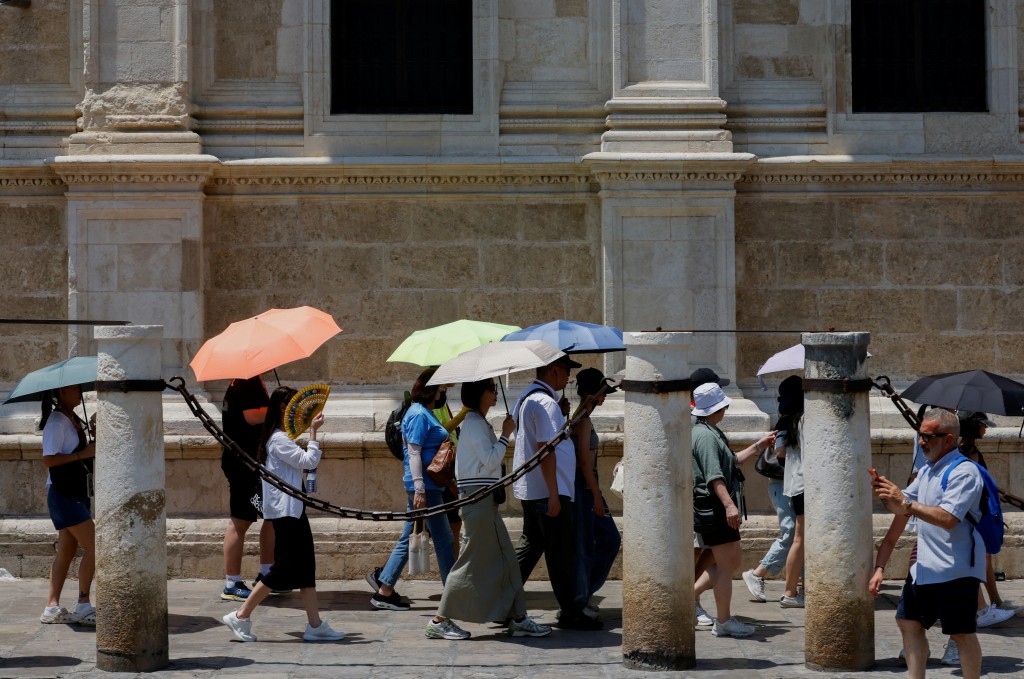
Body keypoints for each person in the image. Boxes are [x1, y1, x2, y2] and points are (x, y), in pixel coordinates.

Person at [221, 386, 344, 643]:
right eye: (293, 405)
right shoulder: (277, 440)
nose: (298, 409)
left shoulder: (279, 438)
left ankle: (315, 624)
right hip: (286, 512)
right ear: (282, 408)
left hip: (294, 510)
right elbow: (309, 461)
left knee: (306, 566)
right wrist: (313, 432)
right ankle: (241, 615)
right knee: (283, 569)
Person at [432, 378, 552, 639]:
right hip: (478, 502)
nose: (495, 393)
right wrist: (506, 434)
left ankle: (518, 617)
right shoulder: (475, 424)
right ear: (479, 394)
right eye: (491, 389)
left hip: (485, 503)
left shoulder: (479, 423)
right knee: (468, 563)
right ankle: (439, 620)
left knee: (508, 561)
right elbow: (489, 461)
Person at [871, 408, 985, 679]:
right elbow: (900, 508)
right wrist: (882, 489)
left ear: (948, 439)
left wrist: (904, 502)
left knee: (961, 632)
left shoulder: (965, 472)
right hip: (924, 567)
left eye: (927, 436)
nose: (921, 441)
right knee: (908, 621)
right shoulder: (927, 472)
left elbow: (947, 518)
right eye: (920, 435)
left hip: (956, 568)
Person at [368, 367, 468, 621]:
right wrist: (420, 488)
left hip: (428, 487)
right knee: (444, 541)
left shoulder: (423, 413)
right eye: (441, 389)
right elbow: (413, 452)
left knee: (409, 537)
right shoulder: (418, 415)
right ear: (431, 390)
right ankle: (452, 595)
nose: (443, 394)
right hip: (425, 488)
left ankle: (384, 590)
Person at [511, 354, 602, 631]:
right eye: (565, 373)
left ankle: (501, 600)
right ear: (553, 371)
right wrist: (553, 493)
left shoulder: (528, 398)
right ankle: (571, 612)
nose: (568, 379)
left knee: (532, 548)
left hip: (534, 488)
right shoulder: (545, 402)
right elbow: (545, 450)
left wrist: (559, 414)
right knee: (561, 554)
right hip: (550, 489)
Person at [691, 382, 775, 638]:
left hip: (714, 506)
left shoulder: (708, 431)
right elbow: (714, 476)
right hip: (714, 506)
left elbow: (732, 461)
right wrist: (729, 505)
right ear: (719, 407)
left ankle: (690, 597)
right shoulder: (705, 436)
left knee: (730, 560)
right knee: (727, 566)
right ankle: (724, 621)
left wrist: (759, 445)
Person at [38, 384, 97, 626]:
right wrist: (82, 455)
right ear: (61, 393)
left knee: (67, 550)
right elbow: (49, 459)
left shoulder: (71, 418)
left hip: (75, 491)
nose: (79, 392)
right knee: (97, 546)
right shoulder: (56, 422)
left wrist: (92, 431)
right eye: (75, 389)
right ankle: (83, 604)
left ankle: (52, 607)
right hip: (64, 494)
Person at [570, 367, 621, 620]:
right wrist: (597, 495)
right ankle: (580, 598)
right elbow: (584, 462)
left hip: (588, 487)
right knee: (591, 544)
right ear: (593, 393)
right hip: (585, 488)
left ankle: (584, 593)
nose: (605, 398)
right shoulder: (583, 420)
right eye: (602, 393)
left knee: (605, 540)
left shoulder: (579, 417)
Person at [219, 375, 275, 601]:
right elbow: (252, 416)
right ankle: (232, 583)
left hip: (251, 460)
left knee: (271, 516)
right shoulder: (247, 382)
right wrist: (280, 411)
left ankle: (268, 574)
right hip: (243, 462)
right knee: (240, 520)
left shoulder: (243, 383)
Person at [774, 376, 805, 608]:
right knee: (801, 539)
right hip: (808, 484)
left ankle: (793, 590)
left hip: (794, 484)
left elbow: (780, 453)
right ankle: (790, 592)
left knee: (799, 538)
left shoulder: (786, 422)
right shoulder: (807, 420)